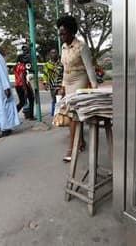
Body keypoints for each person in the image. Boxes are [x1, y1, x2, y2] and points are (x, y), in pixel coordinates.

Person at [57, 15, 98, 162]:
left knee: (74, 113)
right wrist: (62, 86)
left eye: (64, 33)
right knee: (71, 114)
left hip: (80, 80)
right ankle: (80, 142)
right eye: (60, 33)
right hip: (68, 82)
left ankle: (71, 147)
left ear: (72, 32)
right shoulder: (63, 47)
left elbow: (90, 69)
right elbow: (64, 68)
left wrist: (94, 89)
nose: (61, 36)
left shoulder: (82, 46)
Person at [42, 48, 63, 116]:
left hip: (60, 84)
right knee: (54, 100)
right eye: (52, 53)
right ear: (50, 55)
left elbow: (64, 74)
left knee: (60, 99)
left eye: (55, 52)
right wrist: (45, 83)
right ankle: (54, 114)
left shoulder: (61, 64)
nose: (54, 54)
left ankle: (60, 114)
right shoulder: (47, 64)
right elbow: (45, 74)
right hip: (52, 85)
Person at [14, 54, 35, 119]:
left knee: (22, 102)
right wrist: (25, 89)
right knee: (31, 99)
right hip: (22, 85)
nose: (25, 59)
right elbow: (22, 77)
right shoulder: (22, 66)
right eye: (23, 58)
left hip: (17, 85)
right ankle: (31, 116)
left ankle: (13, 114)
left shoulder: (16, 66)